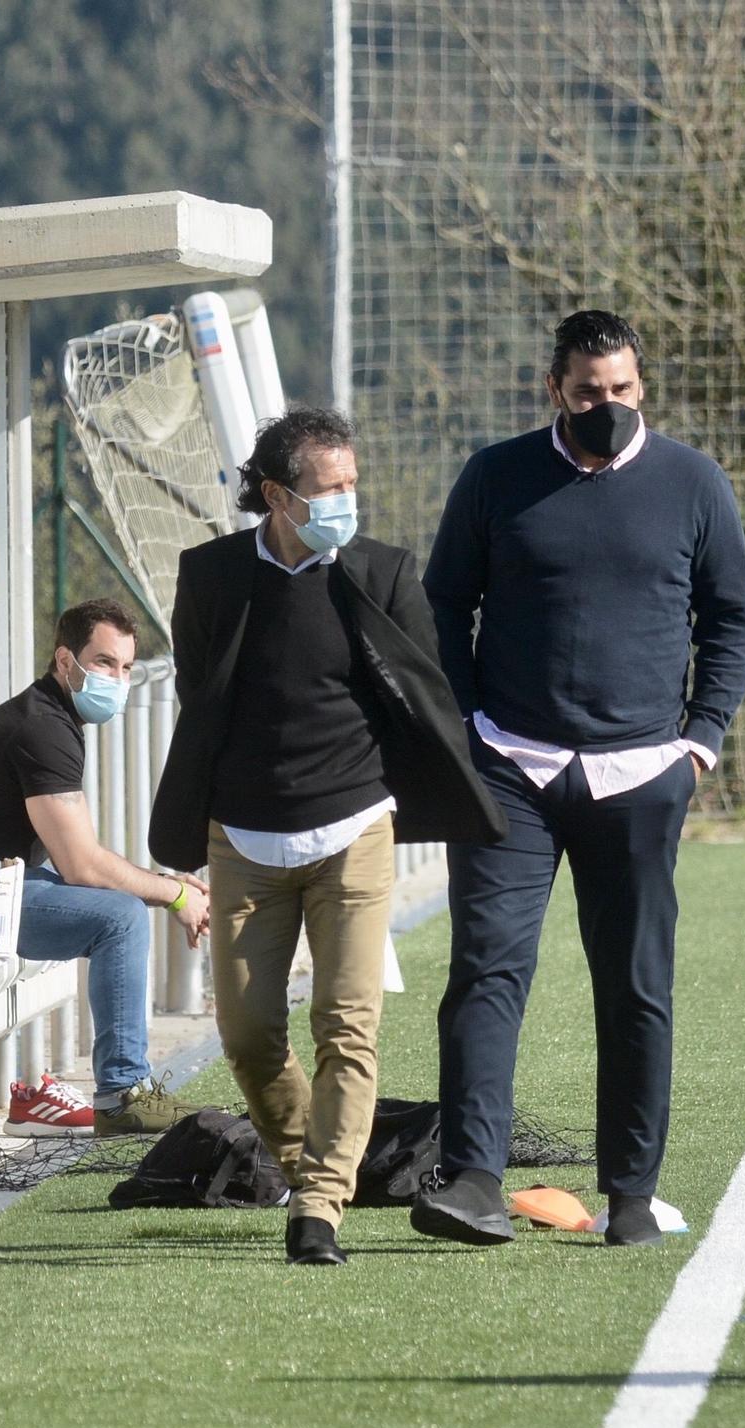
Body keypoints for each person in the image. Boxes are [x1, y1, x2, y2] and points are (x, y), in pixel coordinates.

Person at [416, 309, 745, 1249]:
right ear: (553, 391)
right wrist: (470, 724)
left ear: (641, 387)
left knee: (637, 984)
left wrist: (699, 742)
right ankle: (475, 1181)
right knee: (487, 966)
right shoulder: (496, 476)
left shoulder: (694, 483)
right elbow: (446, 600)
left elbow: (731, 618)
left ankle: (631, 1194)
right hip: (511, 770)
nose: (604, 406)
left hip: (644, 773)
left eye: (621, 391)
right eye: (586, 392)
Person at [149, 407, 505, 1267]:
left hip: (355, 831)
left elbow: (420, 690)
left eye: (352, 483)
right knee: (245, 1033)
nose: (348, 499)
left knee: (347, 1023)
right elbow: (204, 698)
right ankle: (310, 1160)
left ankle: (319, 1204)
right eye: (330, 487)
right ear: (277, 496)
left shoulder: (382, 573)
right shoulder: (212, 575)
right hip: (244, 840)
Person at [0, 599, 210, 1138]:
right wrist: (172, 896)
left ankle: (114, 1090)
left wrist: (169, 884)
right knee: (121, 917)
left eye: (126, 668)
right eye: (104, 663)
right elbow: (82, 865)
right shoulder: (41, 728)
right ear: (65, 661)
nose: (118, 680)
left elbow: (84, 856)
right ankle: (123, 1093)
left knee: (124, 902)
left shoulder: (52, 717)